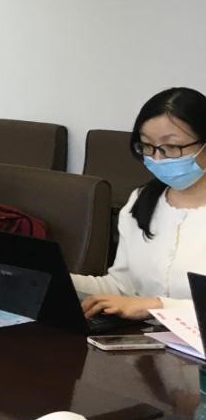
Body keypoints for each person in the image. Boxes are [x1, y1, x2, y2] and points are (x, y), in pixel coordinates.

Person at [72, 86, 206, 319]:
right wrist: (58, 279)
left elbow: (143, 304)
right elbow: (123, 288)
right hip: (145, 338)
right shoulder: (142, 200)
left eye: (171, 147)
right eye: (147, 146)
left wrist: (157, 306)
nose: (157, 158)